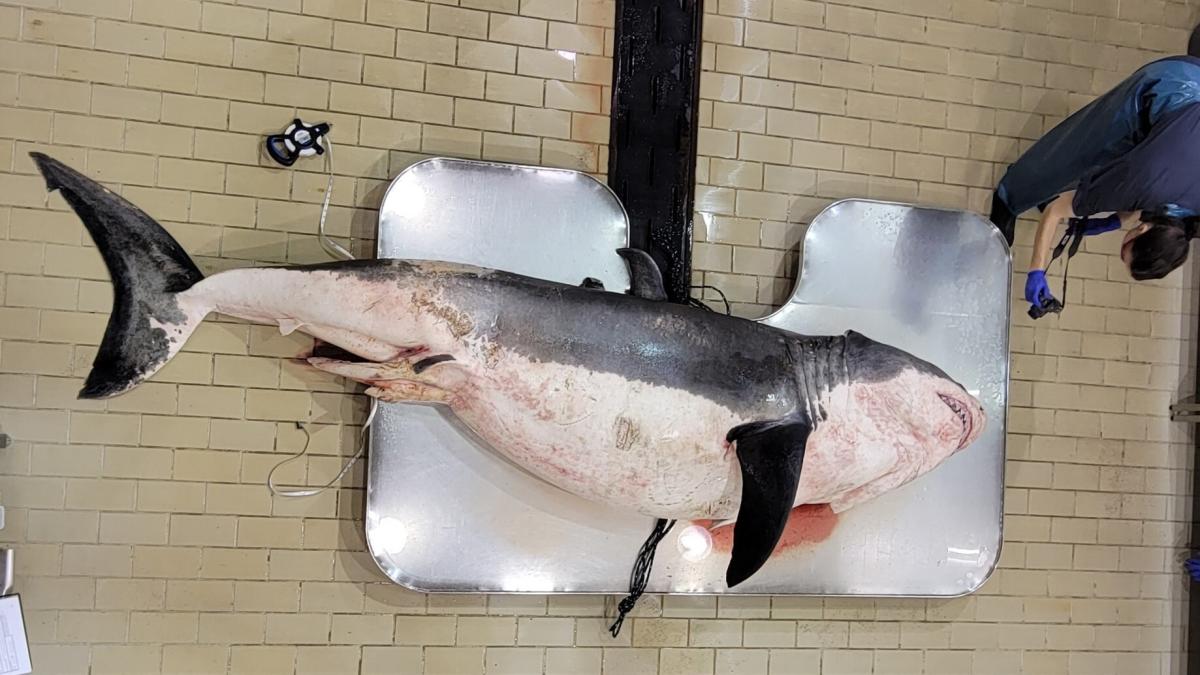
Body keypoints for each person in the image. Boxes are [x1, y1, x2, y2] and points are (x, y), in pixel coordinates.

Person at [989, 39, 1200, 317]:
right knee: (1083, 150)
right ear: (1143, 230)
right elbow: (1055, 213)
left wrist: (1113, 221)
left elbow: (1162, 189)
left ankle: (1063, 192)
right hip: (1173, 82)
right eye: (1125, 244)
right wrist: (1036, 271)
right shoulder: (1140, 180)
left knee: (1115, 173)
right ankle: (1009, 197)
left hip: (1189, 104)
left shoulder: (1187, 218)